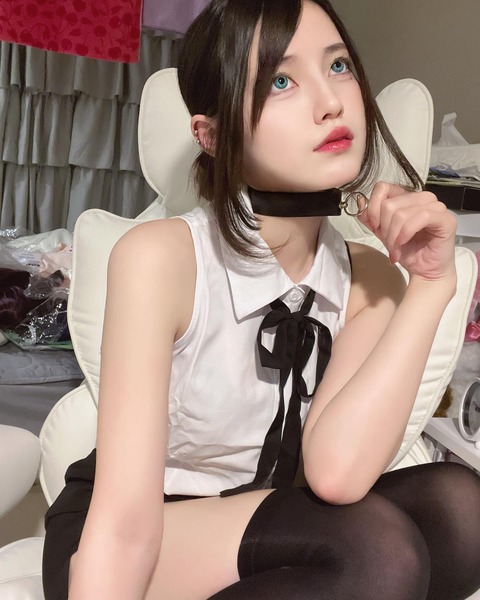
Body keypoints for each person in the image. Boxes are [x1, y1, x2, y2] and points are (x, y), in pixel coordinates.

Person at [42, 1, 480, 599]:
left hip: (272, 521)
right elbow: (122, 525)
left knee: (460, 512)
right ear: (212, 135)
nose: (330, 102)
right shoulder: (162, 258)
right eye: (280, 81)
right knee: (373, 549)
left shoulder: (371, 276)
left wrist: (431, 285)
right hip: (134, 532)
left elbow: (336, 474)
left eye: (339, 66)